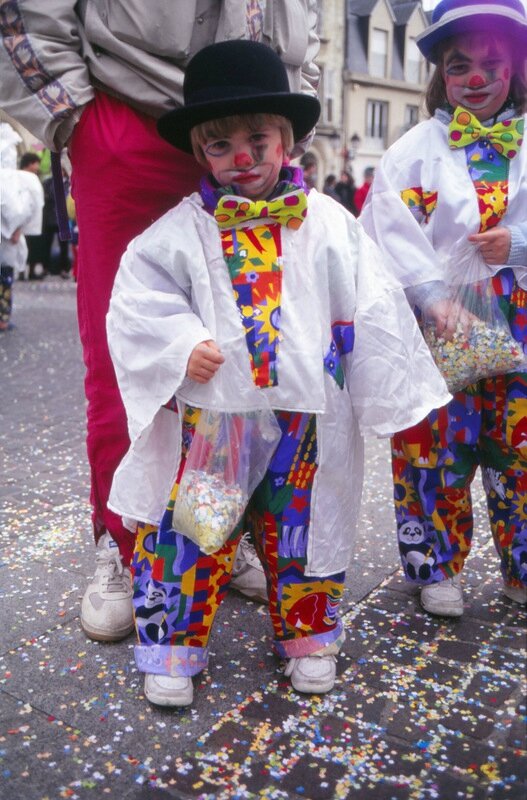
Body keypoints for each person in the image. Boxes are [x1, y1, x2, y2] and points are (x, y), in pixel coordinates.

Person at [106, 40, 450, 707]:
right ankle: (174, 645)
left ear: (286, 140)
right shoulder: (180, 232)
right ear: (199, 153)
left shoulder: (327, 222)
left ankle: (308, 637)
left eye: (257, 140)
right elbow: (139, 297)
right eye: (220, 145)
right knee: (195, 533)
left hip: (307, 421)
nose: (242, 158)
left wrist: (384, 391)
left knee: (302, 531)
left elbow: (371, 302)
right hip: (218, 421)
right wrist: (182, 342)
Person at [0, 2, 321, 642]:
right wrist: (74, 119)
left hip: (255, 116)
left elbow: (305, 26)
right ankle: (123, 540)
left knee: (254, 348)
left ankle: (220, 532)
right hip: (129, 118)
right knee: (130, 350)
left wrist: (291, 114)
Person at [360, 0, 527, 617]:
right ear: (440, 72)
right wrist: (431, 296)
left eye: (492, 64)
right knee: (435, 446)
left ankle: (522, 563)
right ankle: (436, 565)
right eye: (461, 65)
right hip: (438, 327)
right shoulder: (411, 151)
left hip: (522, 317)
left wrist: (521, 245)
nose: (477, 78)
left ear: (517, 68)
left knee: (521, 448)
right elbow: (385, 232)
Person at [0, 123, 43, 330]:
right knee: (5, 279)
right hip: (7, 239)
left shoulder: (11, 179)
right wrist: (15, 228)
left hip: (7, 239)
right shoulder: (12, 180)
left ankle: (2, 317)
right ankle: (2, 317)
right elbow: (20, 209)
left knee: (5, 278)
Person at [19, 152, 45, 281]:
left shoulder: (33, 177)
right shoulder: (23, 177)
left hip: (34, 219)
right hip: (24, 218)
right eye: (36, 163)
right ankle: (21, 270)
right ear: (29, 164)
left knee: (33, 246)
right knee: (24, 245)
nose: (38, 166)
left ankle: (30, 271)